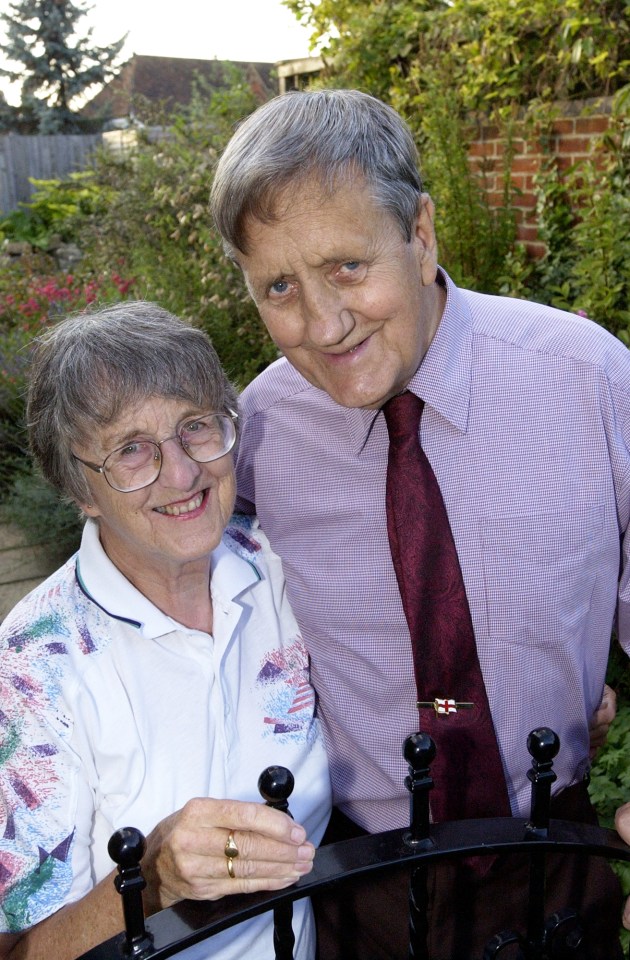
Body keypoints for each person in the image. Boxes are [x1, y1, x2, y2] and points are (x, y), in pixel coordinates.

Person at [210, 88, 630, 958]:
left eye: (348, 268)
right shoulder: (254, 437)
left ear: (423, 234)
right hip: (354, 882)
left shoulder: (589, 381)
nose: (323, 325)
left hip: (555, 854)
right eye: (279, 287)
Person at [0, 302, 331, 960]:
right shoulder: (36, 663)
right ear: (81, 489)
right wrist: (150, 881)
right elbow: (19, 951)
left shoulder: (284, 572)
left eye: (196, 427)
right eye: (132, 451)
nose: (182, 474)